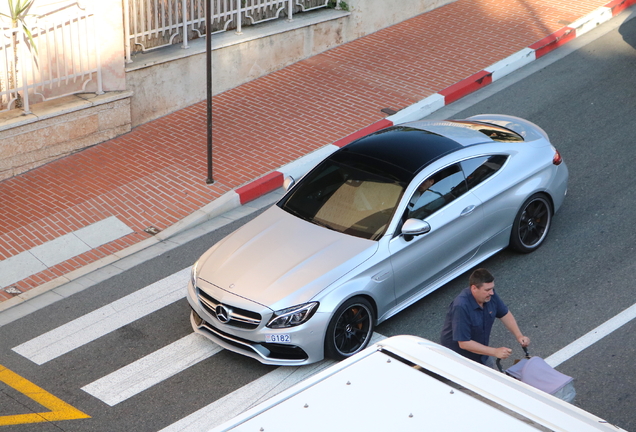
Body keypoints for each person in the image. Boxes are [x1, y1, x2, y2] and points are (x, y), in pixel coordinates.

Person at [440, 268, 530, 368]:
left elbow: (504, 314)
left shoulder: (489, 296)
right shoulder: (461, 306)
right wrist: (495, 351)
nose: (491, 293)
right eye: (487, 290)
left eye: (492, 288)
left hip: (481, 353)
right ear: (474, 288)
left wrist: (519, 336)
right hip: (461, 361)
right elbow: (464, 343)